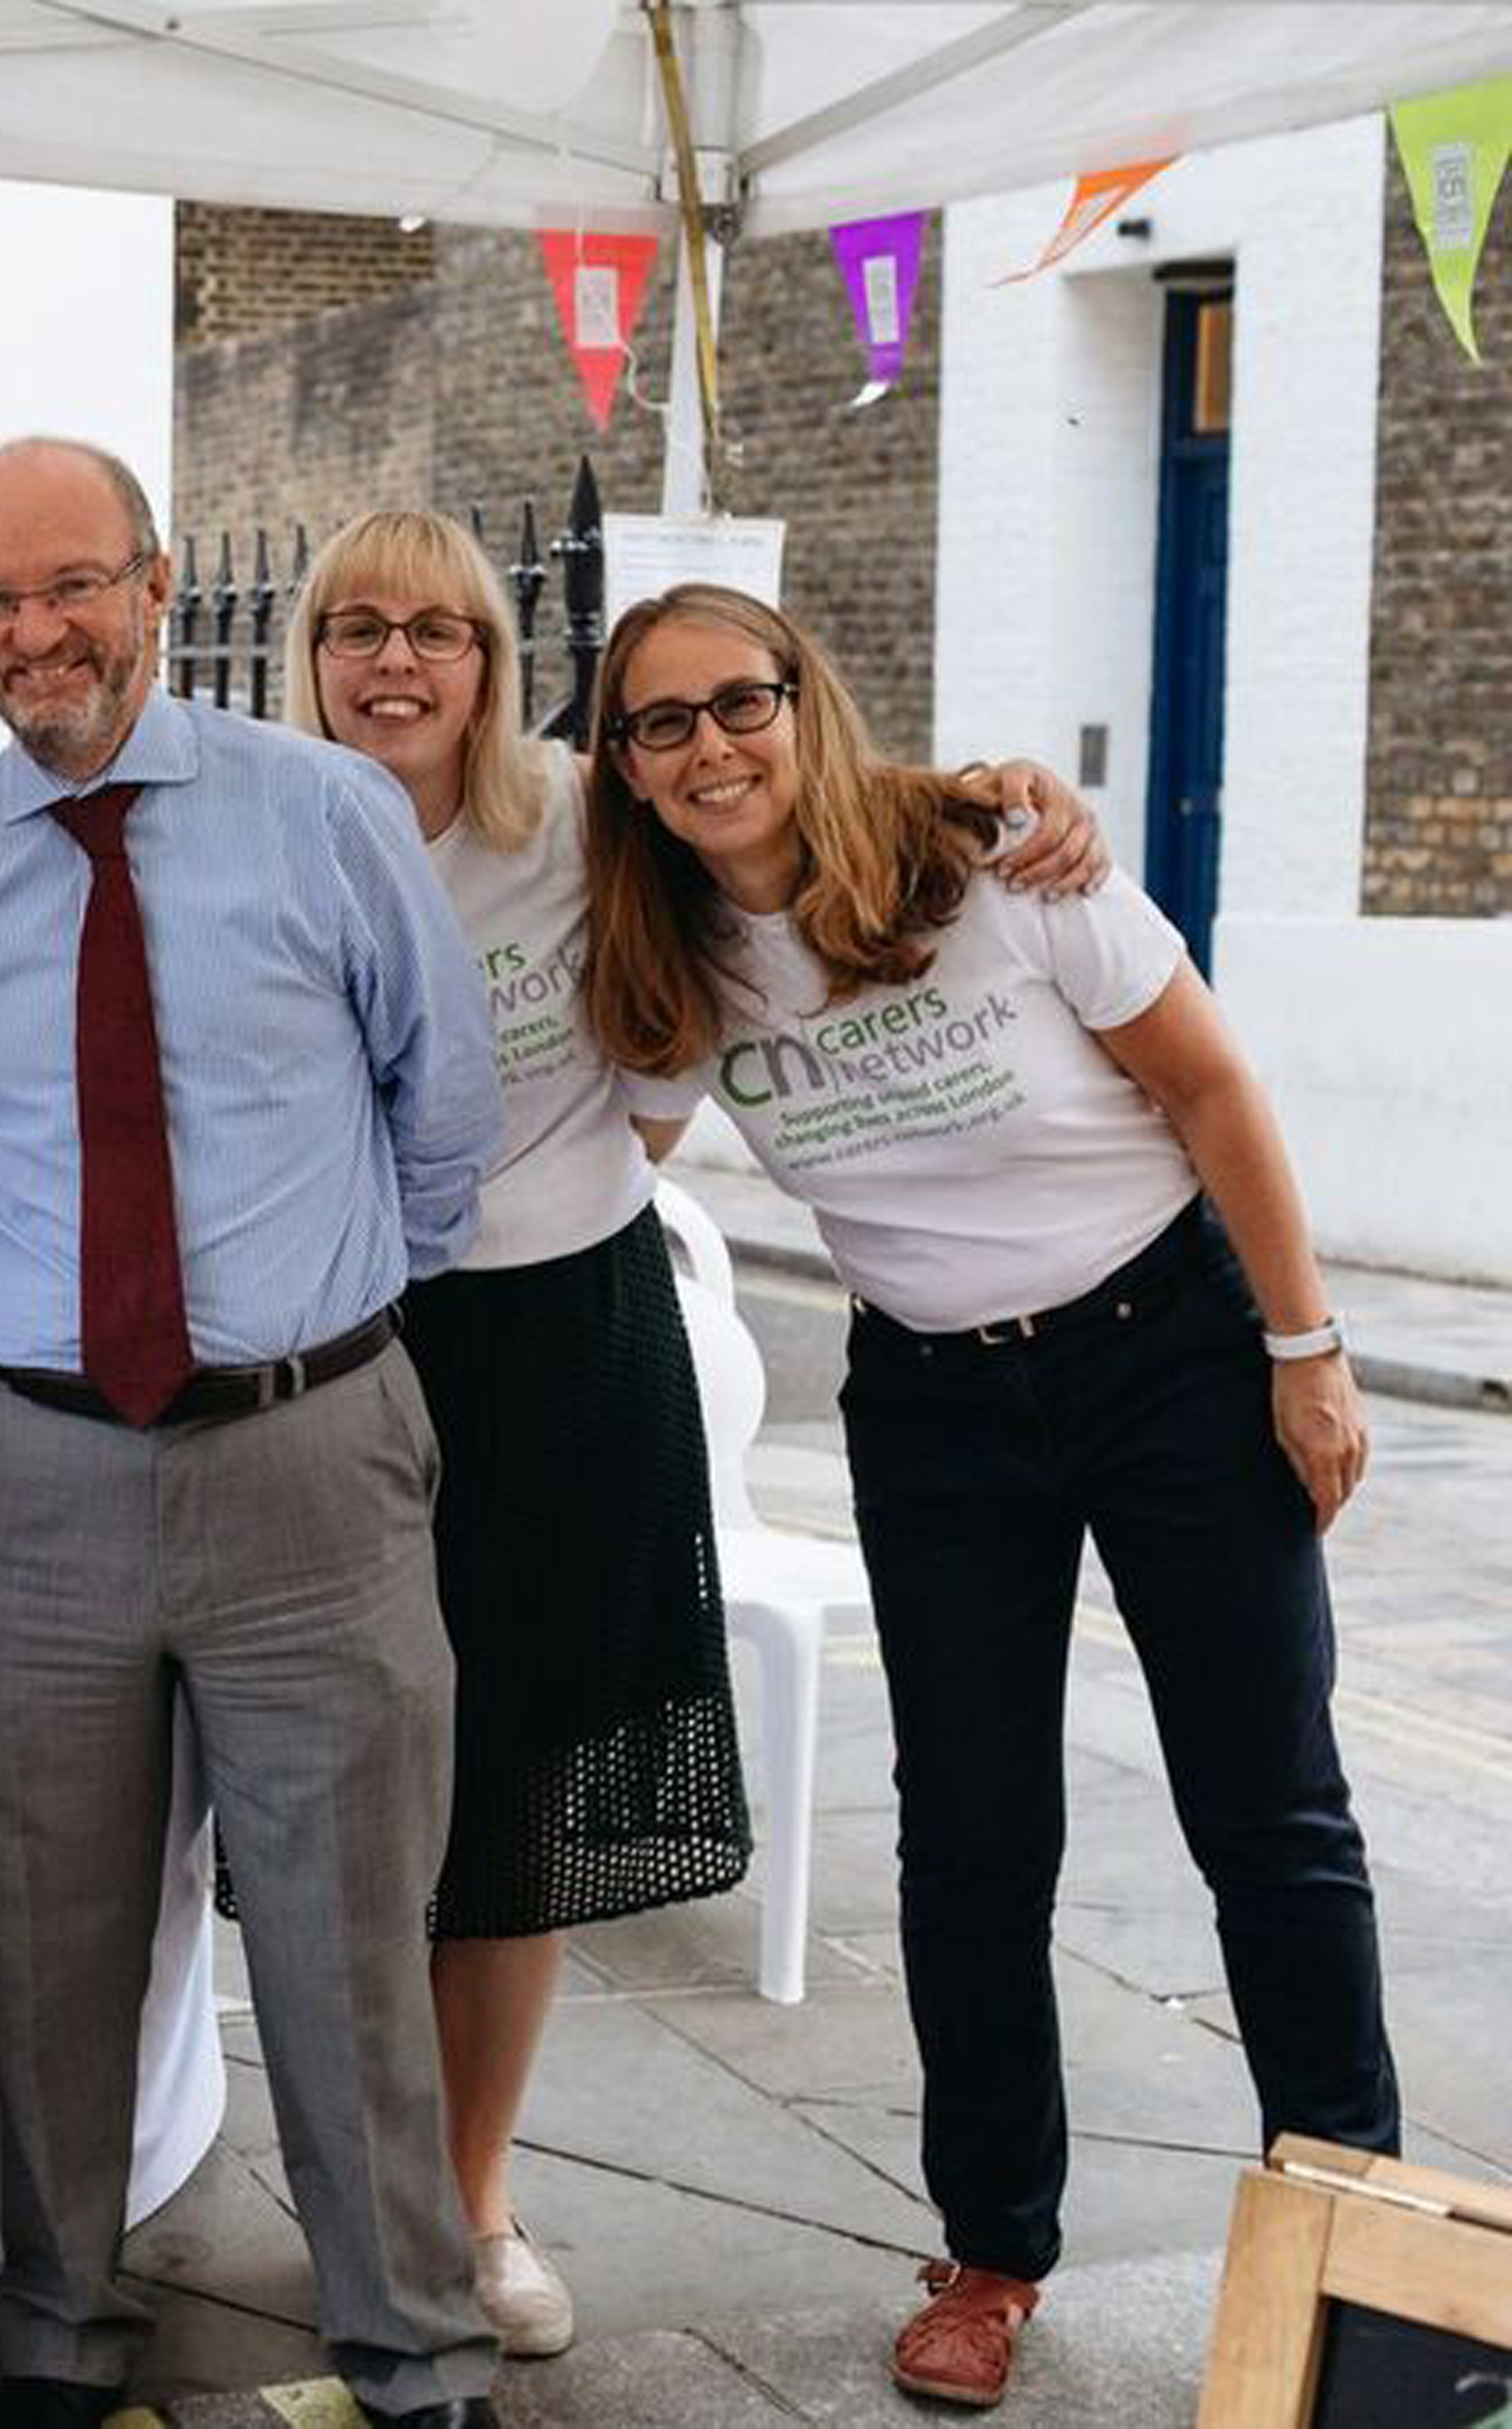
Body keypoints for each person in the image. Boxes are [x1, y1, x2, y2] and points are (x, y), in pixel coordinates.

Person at [284, 513, 1110, 2361]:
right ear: (307, 655)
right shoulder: (260, 833)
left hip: (564, 1342)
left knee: (510, 1805)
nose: (393, 660)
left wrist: (989, 792)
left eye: (440, 627)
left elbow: (774, 804)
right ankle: (360, 2196)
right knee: (340, 1802)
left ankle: (467, 2208)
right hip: (334, 1354)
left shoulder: (581, 813)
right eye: (354, 626)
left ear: (496, 664)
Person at [574, 582, 1396, 2412]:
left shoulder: (996, 864)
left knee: (1265, 1810)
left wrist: (1303, 1346)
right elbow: (588, 1178)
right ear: (619, 770)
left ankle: (1351, 2232)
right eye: (659, 725)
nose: (710, 747)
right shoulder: (665, 966)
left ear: (806, 700)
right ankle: (990, 2247)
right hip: (935, 1403)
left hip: (1166, 1352)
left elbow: (1207, 1088)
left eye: (738, 703)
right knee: (965, 1839)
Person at [0, 438, 506, 2429]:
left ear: (154, 584)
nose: (32, 631)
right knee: (49, 1959)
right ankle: (57, 2336)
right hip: (32, 1476)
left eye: (69, 584)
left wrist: (298, 1330)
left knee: (342, 1951)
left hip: (306, 1455)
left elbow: (442, 1111)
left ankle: (411, 2348)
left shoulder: (323, 816)